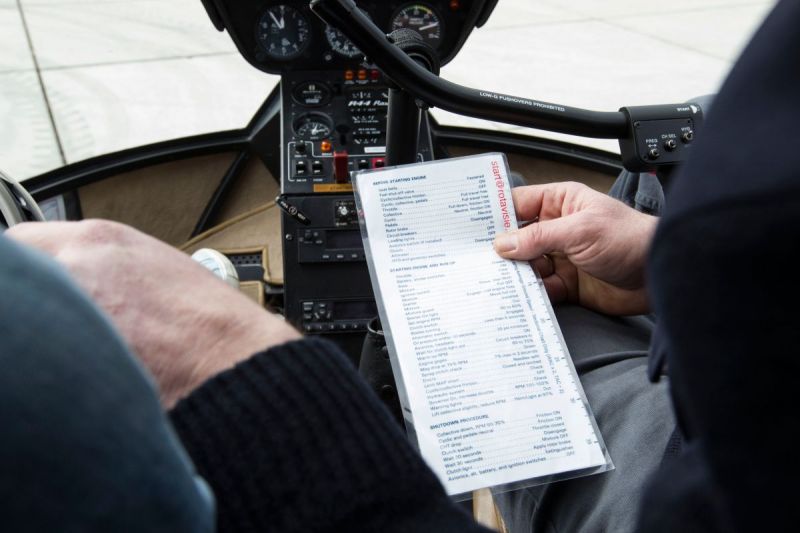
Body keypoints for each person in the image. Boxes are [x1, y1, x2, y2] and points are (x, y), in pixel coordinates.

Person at [4, 0, 799, 530]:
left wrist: (266, 394)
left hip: (712, 450)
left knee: (504, 263)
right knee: (559, 214)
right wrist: (660, 258)